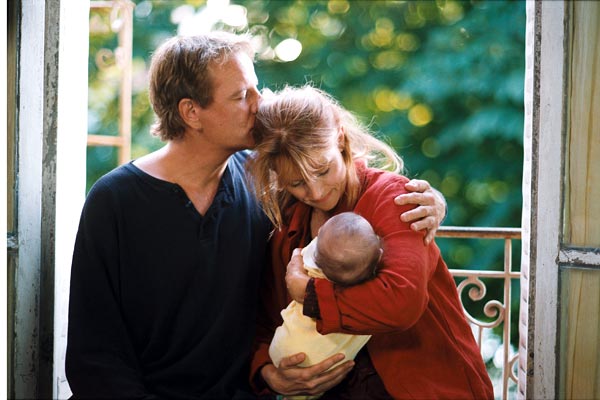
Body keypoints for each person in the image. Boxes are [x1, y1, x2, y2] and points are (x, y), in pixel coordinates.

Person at [66, 32, 446, 399]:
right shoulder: (114, 201)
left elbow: (340, 176)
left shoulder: (266, 186)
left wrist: (431, 200)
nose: (259, 103)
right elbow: (94, 355)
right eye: (241, 95)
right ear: (191, 112)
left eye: (256, 87)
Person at [247, 85, 494, 399]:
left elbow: (402, 302)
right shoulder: (286, 226)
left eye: (323, 170)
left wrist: (310, 295)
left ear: (339, 138)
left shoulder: (395, 197)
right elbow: (264, 318)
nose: (317, 192)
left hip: (426, 387)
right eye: (296, 183)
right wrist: (270, 374)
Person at [268, 212, 381, 377]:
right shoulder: (370, 284)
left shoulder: (310, 262)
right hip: (332, 362)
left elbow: (299, 255)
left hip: (285, 349)